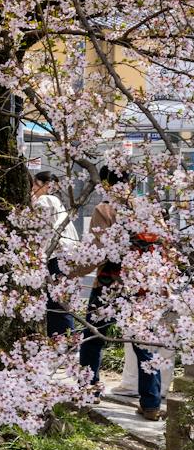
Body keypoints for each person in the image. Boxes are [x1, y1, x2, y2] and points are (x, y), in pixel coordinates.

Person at [78, 168, 164, 420]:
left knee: (93, 338)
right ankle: (151, 404)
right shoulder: (148, 207)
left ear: (105, 183)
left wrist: (73, 271)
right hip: (141, 284)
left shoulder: (104, 209)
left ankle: (88, 391)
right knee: (144, 344)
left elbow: (98, 251)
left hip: (110, 284)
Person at [31, 170, 78, 337]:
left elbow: (39, 229)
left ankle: (63, 341)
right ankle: (66, 340)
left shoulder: (44, 200)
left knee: (56, 302)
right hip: (68, 255)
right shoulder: (58, 203)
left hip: (56, 255)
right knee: (61, 300)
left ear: (46, 186)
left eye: (35, 185)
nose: (32, 190)